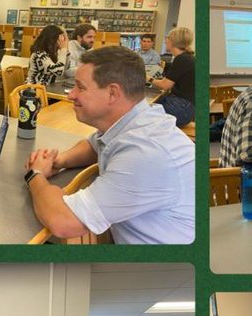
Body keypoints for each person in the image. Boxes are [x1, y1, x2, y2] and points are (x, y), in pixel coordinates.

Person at [24, 46, 195, 244]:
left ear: (113, 93)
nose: (71, 94)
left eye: (80, 87)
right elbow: (94, 145)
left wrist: (35, 175)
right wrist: (60, 160)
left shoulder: (145, 153)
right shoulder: (138, 123)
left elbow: (63, 221)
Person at [151, 25, 195, 126]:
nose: (165, 40)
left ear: (173, 41)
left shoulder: (182, 59)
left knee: (143, 114)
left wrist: (147, 78)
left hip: (181, 108)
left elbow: (165, 85)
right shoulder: (186, 58)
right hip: (183, 106)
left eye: (167, 38)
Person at [61, 22, 96, 87]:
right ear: (79, 37)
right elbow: (68, 72)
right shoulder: (69, 48)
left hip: (83, 84)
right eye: (89, 37)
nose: (92, 40)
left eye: (94, 37)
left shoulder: (89, 48)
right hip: (66, 85)